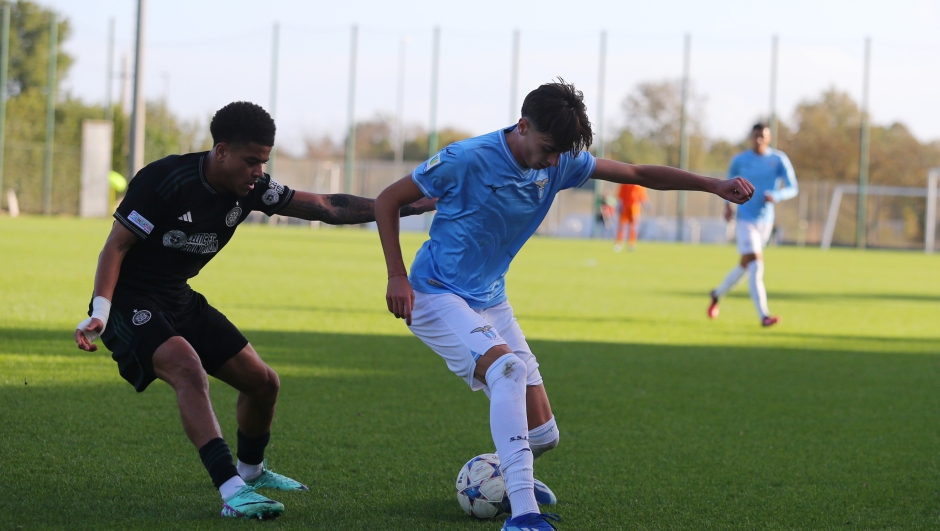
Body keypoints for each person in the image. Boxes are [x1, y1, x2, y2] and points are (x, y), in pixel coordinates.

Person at [374, 80, 754, 531]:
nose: (553, 162)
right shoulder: (467, 157)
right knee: (507, 371)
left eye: (561, 153)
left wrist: (714, 185)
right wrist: (397, 275)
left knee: (544, 435)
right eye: (548, 148)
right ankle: (523, 515)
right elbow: (388, 199)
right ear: (522, 126)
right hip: (436, 293)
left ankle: (496, 477)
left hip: (491, 299)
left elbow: (636, 174)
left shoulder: (562, 160)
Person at [73, 101, 434, 521]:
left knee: (263, 383)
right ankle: (232, 490)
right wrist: (101, 310)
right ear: (221, 151)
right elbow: (115, 246)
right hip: (128, 299)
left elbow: (327, 206)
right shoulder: (164, 179)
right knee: (187, 368)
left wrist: (403, 206)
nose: (259, 172)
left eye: (264, 162)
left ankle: (252, 472)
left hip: (176, 297)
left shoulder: (253, 189)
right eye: (251, 162)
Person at [707, 122, 798, 327]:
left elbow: (793, 187)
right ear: (750, 137)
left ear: (769, 138)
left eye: (762, 136)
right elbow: (726, 185)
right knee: (756, 265)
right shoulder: (740, 160)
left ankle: (717, 293)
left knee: (746, 265)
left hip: (765, 221)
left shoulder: (778, 160)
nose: (758, 140)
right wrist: (727, 205)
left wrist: (777, 195)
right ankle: (764, 316)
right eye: (755, 136)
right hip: (745, 219)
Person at [613, 183, 649, 252]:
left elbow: (642, 195)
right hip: (625, 207)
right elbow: (620, 195)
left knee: (633, 226)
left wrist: (646, 203)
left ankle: (631, 244)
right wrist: (619, 205)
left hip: (635, 207)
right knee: (622, 226)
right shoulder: (625, 183)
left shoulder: (639, 185)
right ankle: (619, 243)